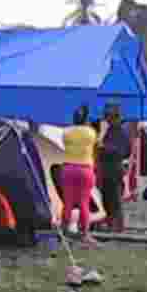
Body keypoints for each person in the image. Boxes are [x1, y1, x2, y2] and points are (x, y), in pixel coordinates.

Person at [61, 105, 99, 244]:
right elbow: (95, 146)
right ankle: (85, 233)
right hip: (85, 169)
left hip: (68, 168)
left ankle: (64, 231)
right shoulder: (91, 132)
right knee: (84, 202)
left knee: (68, 202)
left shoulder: (67, 132)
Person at [97, 103, 129, 232]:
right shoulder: (111, 130)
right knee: (107, 198)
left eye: (108, 116)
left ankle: (117, 226)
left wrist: (104, 148)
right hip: (107, 169)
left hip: (114, 169)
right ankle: (111, 224)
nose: (106, 118)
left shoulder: (120, 131)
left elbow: (123, 151)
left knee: (115, 199)